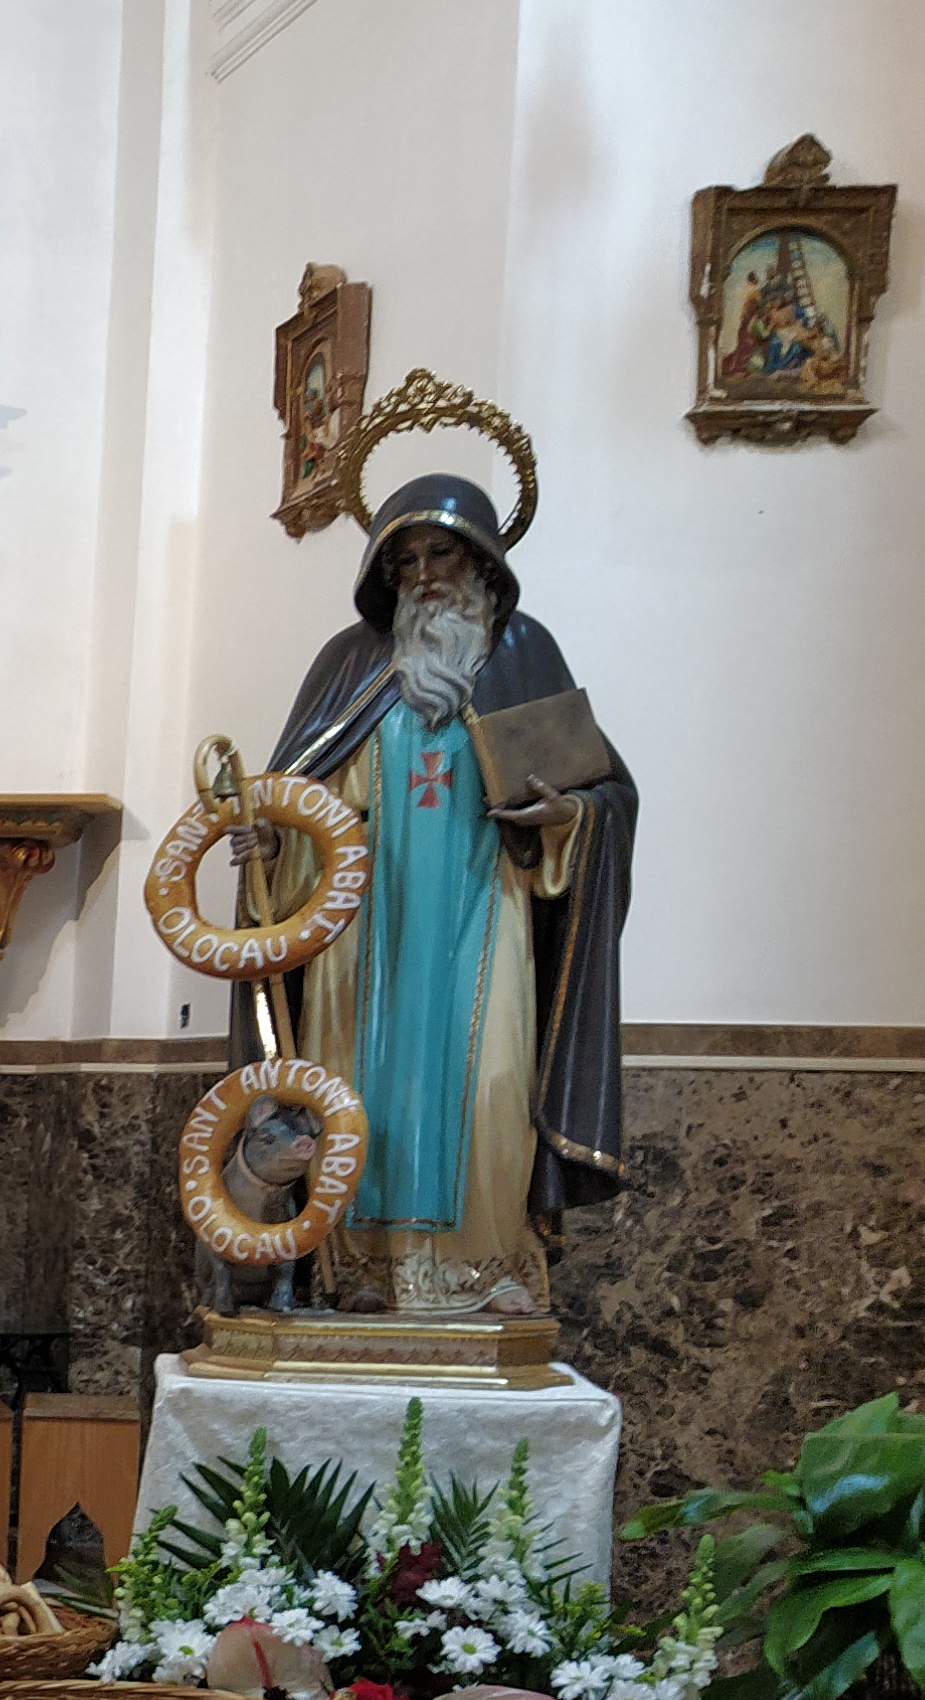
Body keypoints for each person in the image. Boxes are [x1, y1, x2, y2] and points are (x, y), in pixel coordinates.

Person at [227, 474, 635, 1316]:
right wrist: (269, 843)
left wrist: (567, 819)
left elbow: (607, 798)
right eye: (404, 558)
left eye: (441, 551)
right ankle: (361, 1276)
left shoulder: (524, 655)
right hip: (362, 940)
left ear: (482, 559)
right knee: (359, 1096)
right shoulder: (348, 665)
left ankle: (485, 1274)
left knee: (490, 1096)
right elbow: (298, 801)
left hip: (487, 918)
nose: (424, 573)